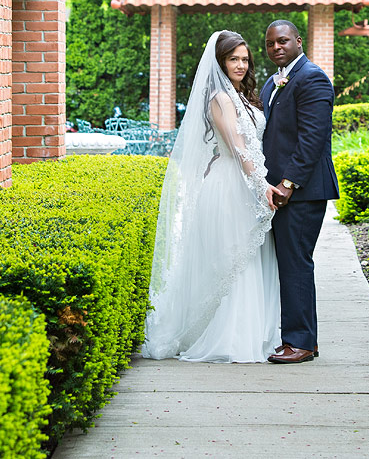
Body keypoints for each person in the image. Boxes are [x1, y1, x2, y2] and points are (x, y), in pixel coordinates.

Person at [140, 31, 281, 363]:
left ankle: (253, 334)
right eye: (234, 59)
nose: (241, 65)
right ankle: (232, 340)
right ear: (220, 62)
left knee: (246, 259)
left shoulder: (244, 97)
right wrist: (262, 184)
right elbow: (238, 146)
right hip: (230, 186)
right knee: (234, 260)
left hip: (243, 182)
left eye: (245, 59)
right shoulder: (220, 97)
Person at [260, 20, 339, 365]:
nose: (276, 47)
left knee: (296, 265)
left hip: (301, 192)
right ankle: (299, 337)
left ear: (298, 41)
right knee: (287, 264)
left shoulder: (313, 77)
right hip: (275, 190)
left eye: (283, 41)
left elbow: (312, 138)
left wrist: (288, 184)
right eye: (270, 43)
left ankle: (301, 342)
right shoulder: (271, 83)